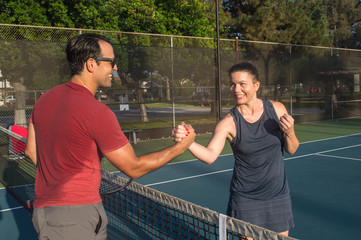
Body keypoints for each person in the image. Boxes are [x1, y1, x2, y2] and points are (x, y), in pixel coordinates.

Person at [25, 33, 195, 240]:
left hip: (44, 211)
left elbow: (31, 151)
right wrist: (181, 146)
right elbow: (134, 167)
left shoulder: (43, 101)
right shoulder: (97, 112)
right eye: (111, 62)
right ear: (91, 64)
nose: (115, 68)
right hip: (76, 217)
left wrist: (58, 179)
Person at [173, 62, 299, 237]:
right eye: (232, 84)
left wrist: (290, 132)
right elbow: (210, 156)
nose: (236, 89)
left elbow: (291, 149)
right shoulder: (228, 123)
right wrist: (188, 143)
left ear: (256, 85)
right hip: (245, 199)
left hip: (277, 195)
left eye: (242, 84)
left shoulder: (277, 109)